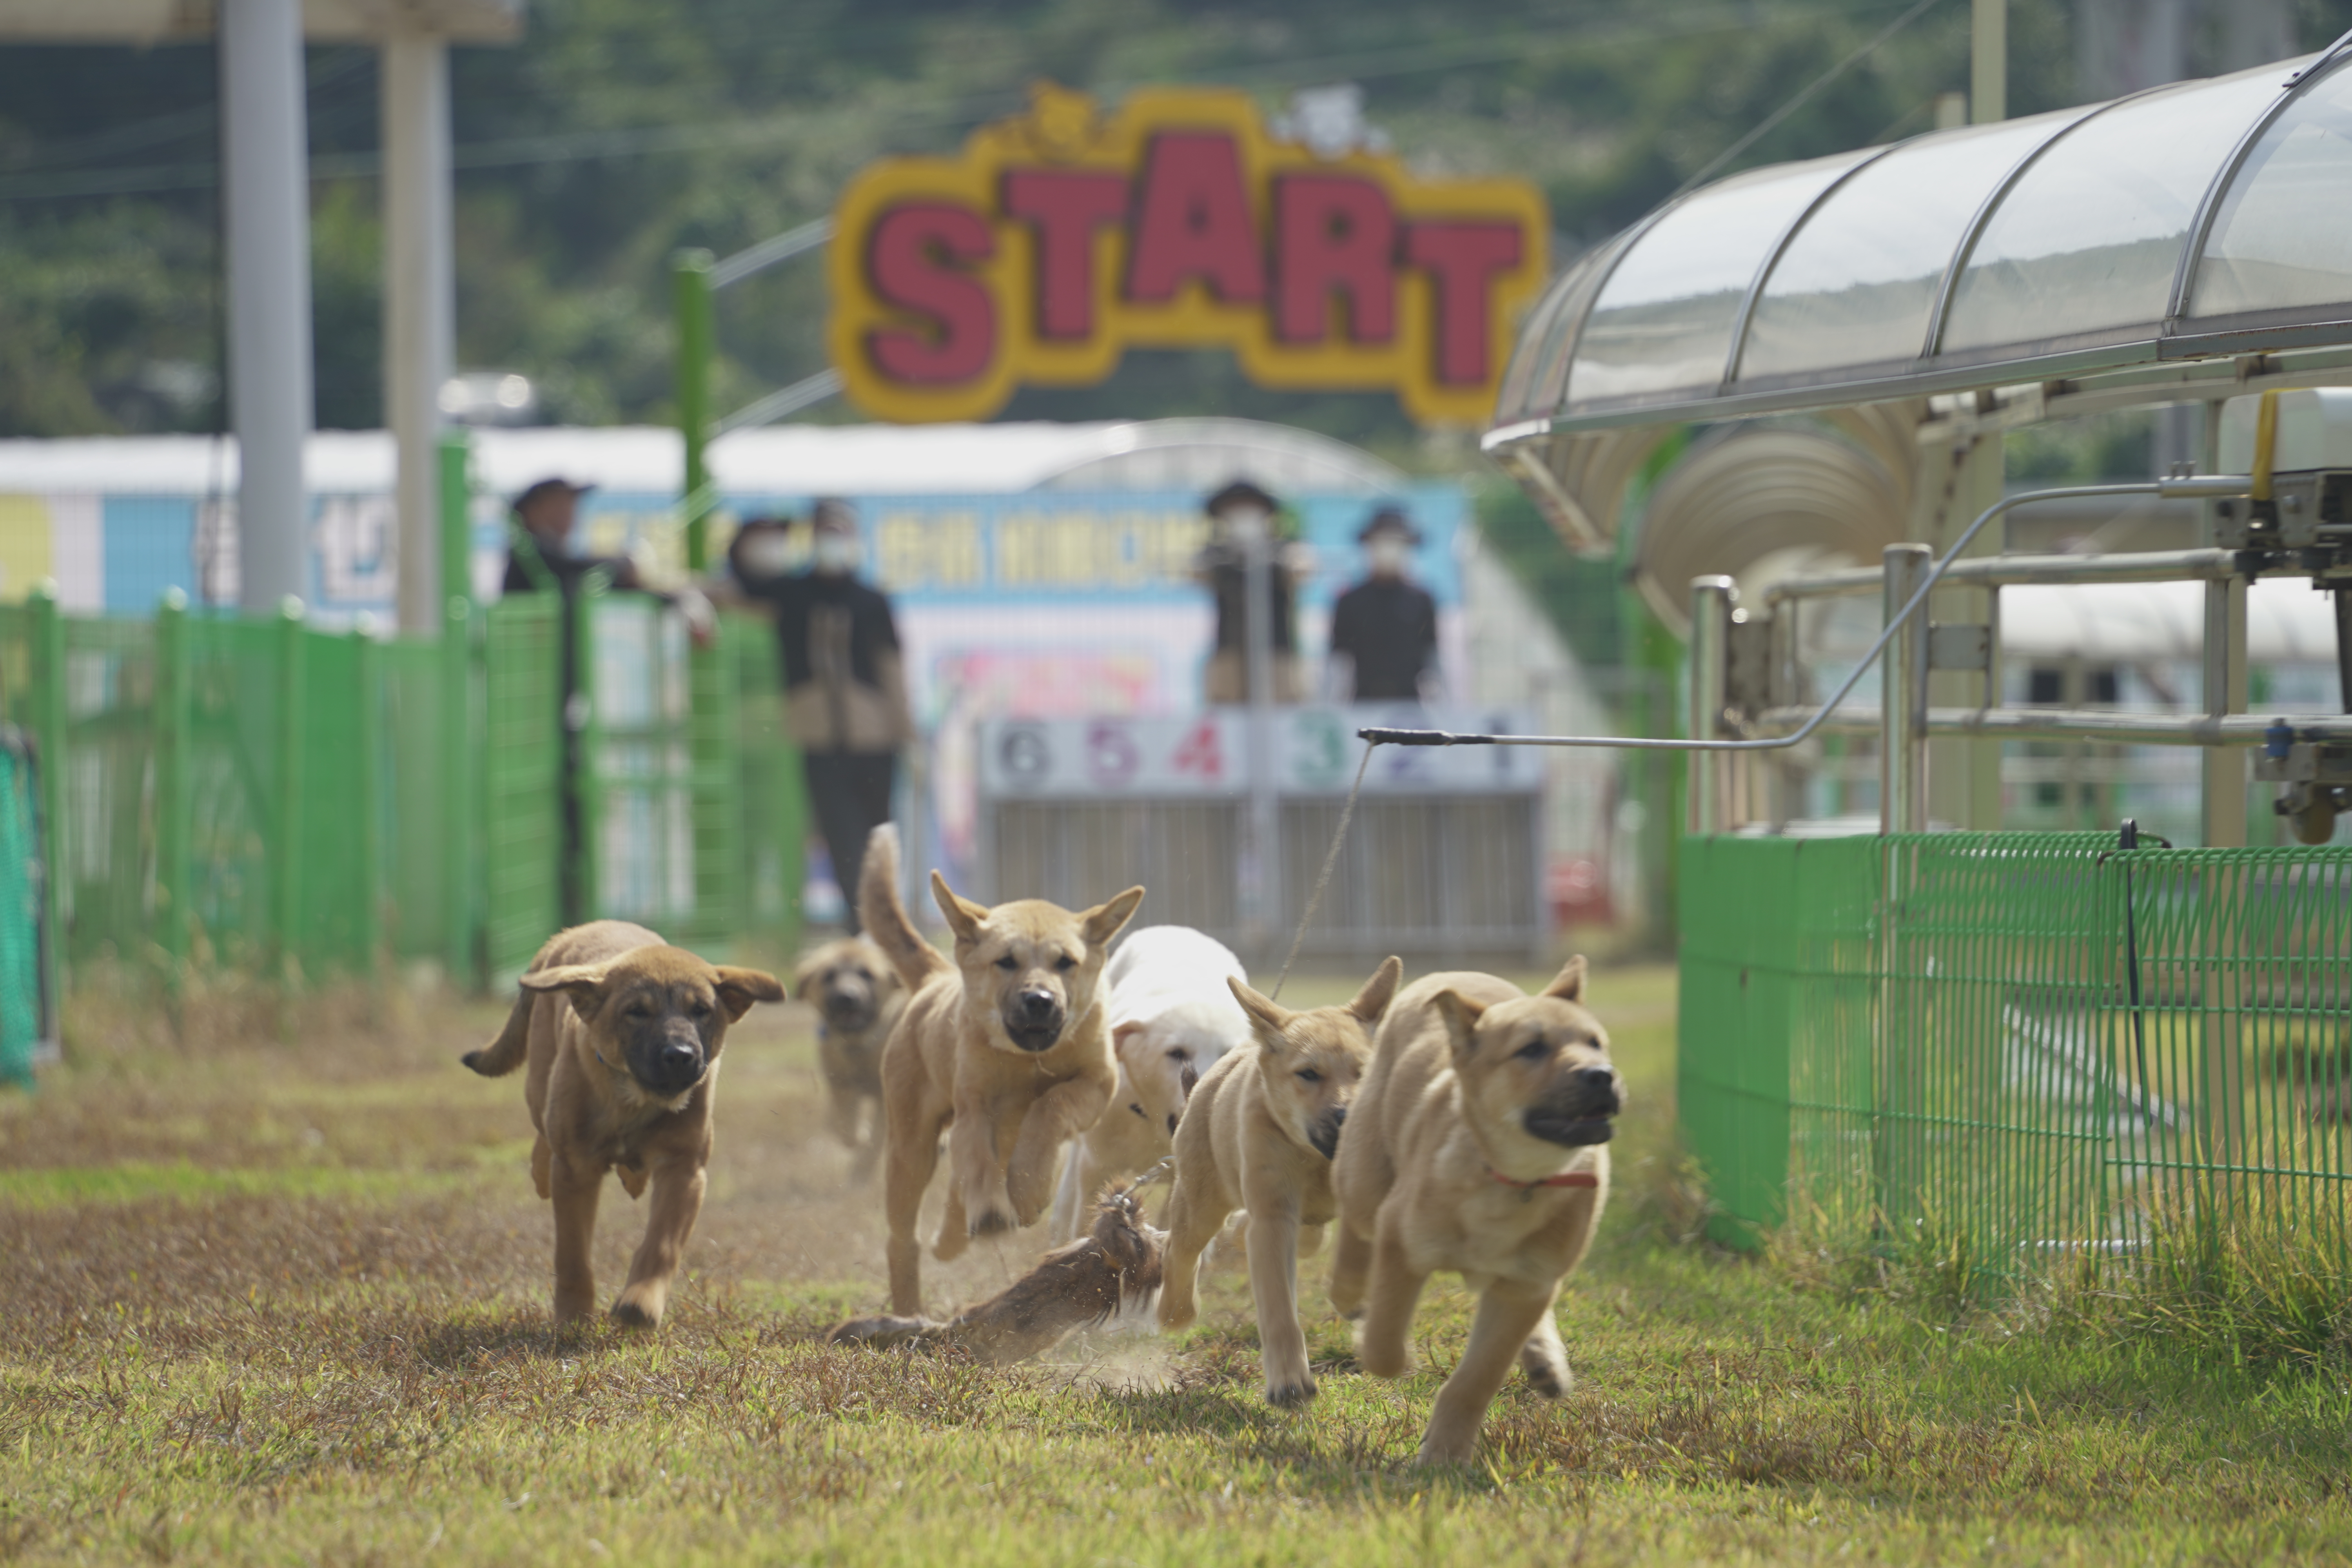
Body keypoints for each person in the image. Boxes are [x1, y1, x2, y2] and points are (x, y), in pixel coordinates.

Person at [503, 476, 713, 924]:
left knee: (575, 817)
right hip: (529, 716)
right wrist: (622, 562)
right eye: (562, 503)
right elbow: (579, 570)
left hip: (562, 712)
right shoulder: (530, 557)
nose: (570, 515)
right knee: (543, 824)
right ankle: (546, 922)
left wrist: (679, 599)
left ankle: (571, 914)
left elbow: (609, 582)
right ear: (535, 509)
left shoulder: (564, 566)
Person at [730, 500, 913, 933]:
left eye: (839, 532)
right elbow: (741, 581)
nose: (831, 542)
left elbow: (892, 667)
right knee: (840, 834)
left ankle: (886, 925)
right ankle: (861, 927)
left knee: (878, 836)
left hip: (874, 737)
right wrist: (755, 533)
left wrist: (906, 733)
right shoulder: (791, 593)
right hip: (815, 736)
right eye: (823, 532)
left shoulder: (871, 599)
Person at [1194, 479, 1307, 705]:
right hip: (1230, 651)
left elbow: (1302, 570)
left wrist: (1263, 558)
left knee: (1284, 709)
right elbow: (1195, 573)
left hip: (1276, 652)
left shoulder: (1283, 549)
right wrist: (1234, 556)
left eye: (1250, 508)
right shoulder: (1215, 554)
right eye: (1234, 509)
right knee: (1228, 711)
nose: (1243, 514)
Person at [1327, 506, 1439, 702]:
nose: (1389, 548)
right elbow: (1339, 660)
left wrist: (1441, 703)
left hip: (1410, 706)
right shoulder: (1350, 600)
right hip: (1363, 704)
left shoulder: (1421, 600)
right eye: (1382, 541)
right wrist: (1331, 704)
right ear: (1369, 545)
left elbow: (1432, 658)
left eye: (1396, 542)